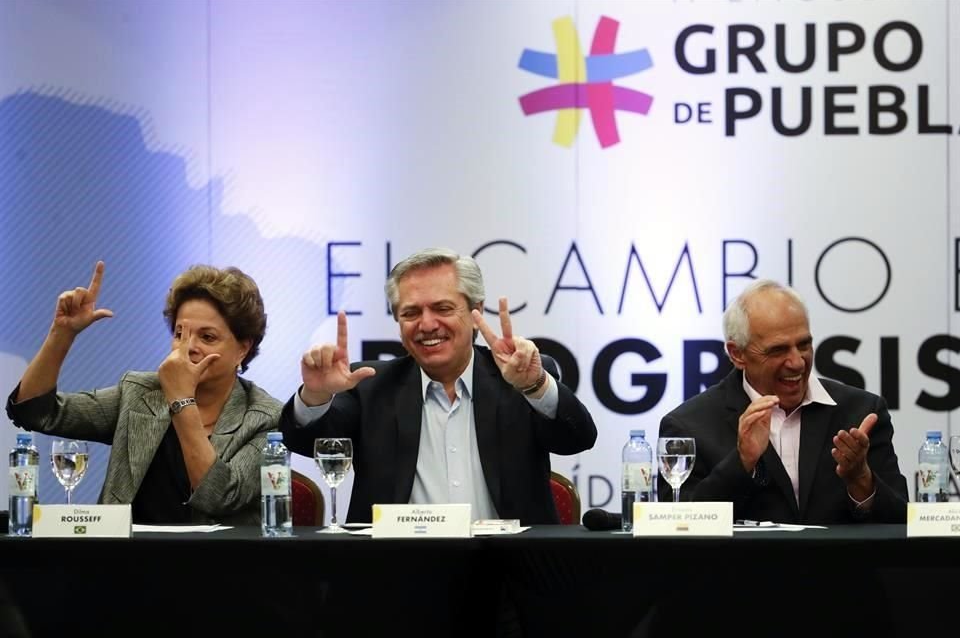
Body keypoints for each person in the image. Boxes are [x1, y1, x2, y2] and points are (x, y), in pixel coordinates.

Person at [279, 247, 597, 525]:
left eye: (443, 308)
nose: (427, 324)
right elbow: (308, 442)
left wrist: (536, 386)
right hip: (398, 576)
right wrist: (317, 395)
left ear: (476, 312)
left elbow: (577, 438)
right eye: (411, 312)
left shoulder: (518, 377)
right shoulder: (369, 385)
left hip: (508, 575)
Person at [6, 261, 281, 525]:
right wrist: (61, 333)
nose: (189, 347)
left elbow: (219, 497)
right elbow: (36, 412)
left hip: (216, 568)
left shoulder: (265, 418)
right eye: (180, 333)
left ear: (243, 348)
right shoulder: (139, 394)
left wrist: (181, 400)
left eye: (207, 337)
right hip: (124, 564)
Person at [657, 279, 907, 524]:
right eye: (778, 350)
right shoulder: (689, 426)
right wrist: (741, 462)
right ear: (737, 354)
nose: (797, 362)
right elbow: (677, 528)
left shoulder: (861, 413)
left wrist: (861, 480)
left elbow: (901, 522)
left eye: (804, 345)